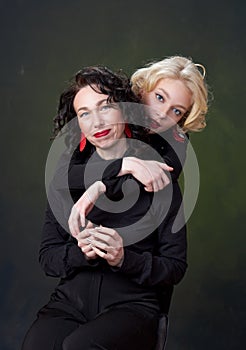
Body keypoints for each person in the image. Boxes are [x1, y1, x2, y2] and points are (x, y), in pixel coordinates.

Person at [22, 66, 187, 350]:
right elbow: (47, 257)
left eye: (106, 106)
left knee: (80, 347)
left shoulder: (160, 179)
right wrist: (81, 253)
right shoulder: (67, 178)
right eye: (85, 113)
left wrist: (124, 258)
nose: (97, 121)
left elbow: (175, 267)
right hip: (69, 303)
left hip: (132, 307)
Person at [68, 56, 208, 234]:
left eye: (177, 111)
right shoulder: (113, 109)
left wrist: (102, 185)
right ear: (142, 89)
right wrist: (124, 165)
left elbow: (158, 178)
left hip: (136, 231)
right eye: (159, 97)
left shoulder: (176, 140)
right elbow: (66, 175)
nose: (162, 114)